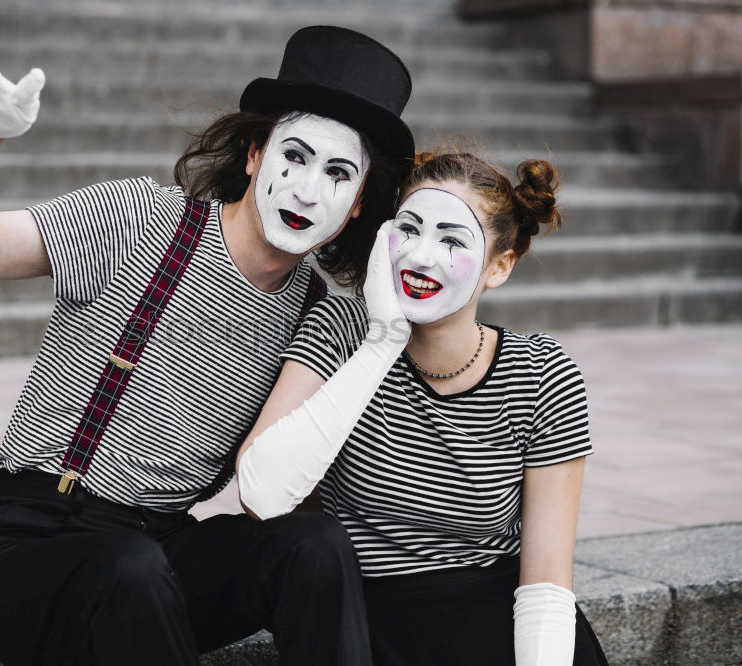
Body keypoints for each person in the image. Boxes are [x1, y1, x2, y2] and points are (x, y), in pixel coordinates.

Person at [0, 26, 415, 666]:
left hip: (162, 553)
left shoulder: (314, 311)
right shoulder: (142, 219)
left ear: (360, 203)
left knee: (314, 545)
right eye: (296, 156)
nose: (309, 190)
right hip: (32, 549)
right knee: (131, 568)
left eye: (338, 173)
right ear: (254, 153)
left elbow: (267, 495)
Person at [236, 150, 611, 665]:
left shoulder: (543, 372)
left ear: (499, 266)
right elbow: (261, 493)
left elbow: (546, 582)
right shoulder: (342, 332)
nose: (421, 256)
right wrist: (382, 341)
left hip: (497, 617)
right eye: (408, 230)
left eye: (452, 240)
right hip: (372, 619)